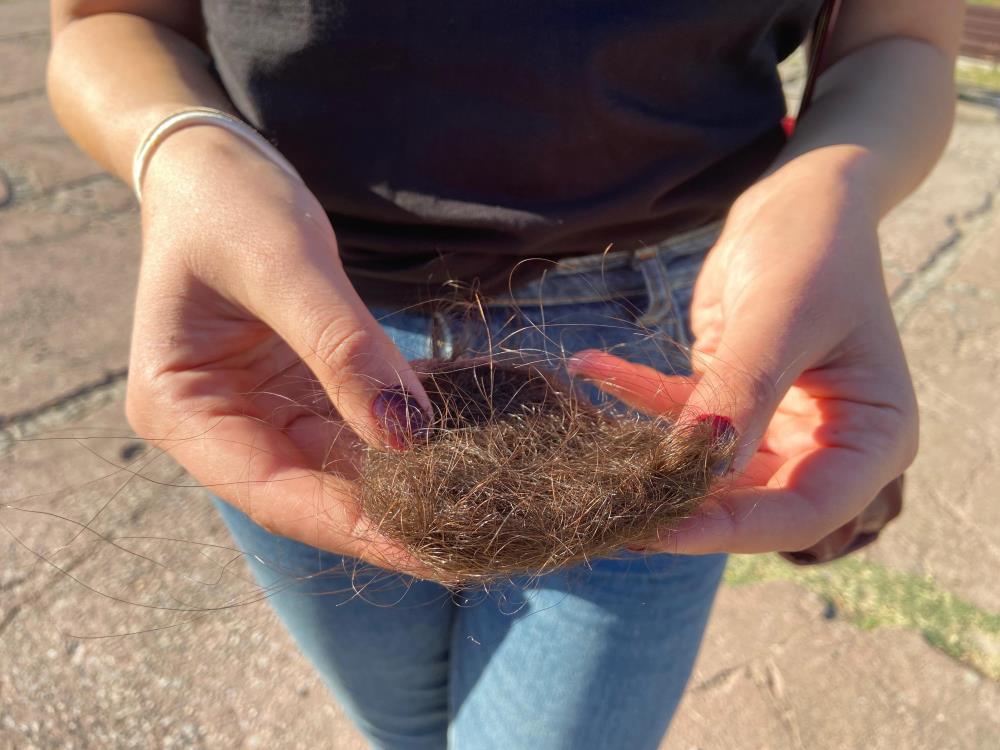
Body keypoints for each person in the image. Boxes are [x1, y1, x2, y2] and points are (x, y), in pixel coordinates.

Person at [48, 2, 963, 747]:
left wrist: (833, 186)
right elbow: (107, 20)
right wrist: (183, 148)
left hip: (677, 351)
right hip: (298, 346)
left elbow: (900, 38)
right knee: (397, 724)